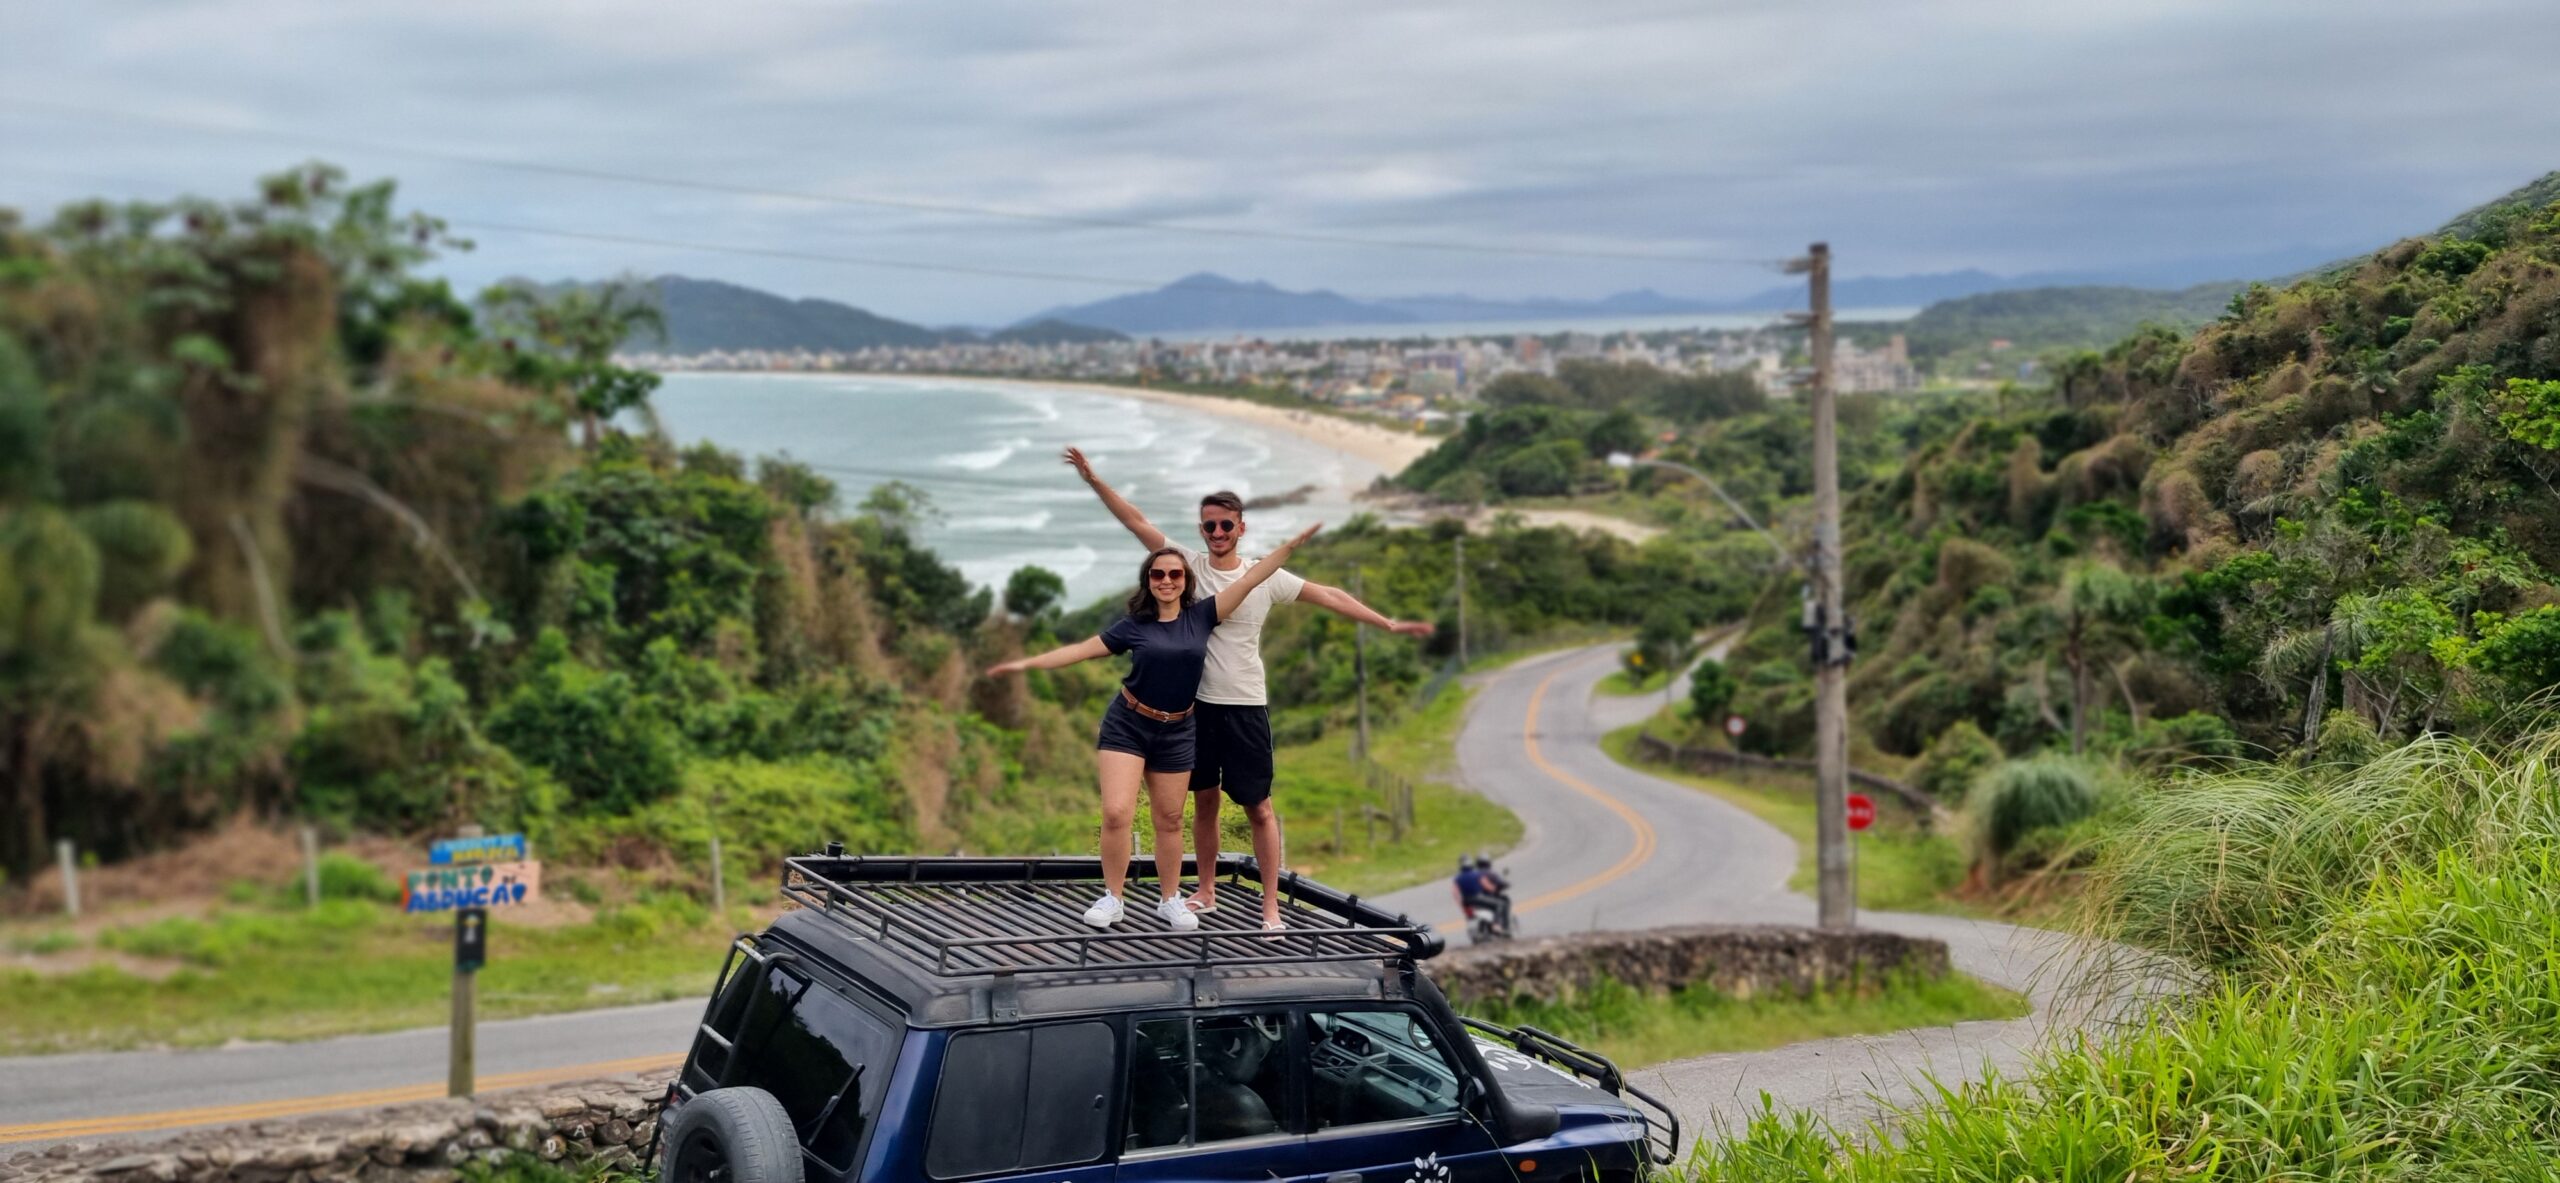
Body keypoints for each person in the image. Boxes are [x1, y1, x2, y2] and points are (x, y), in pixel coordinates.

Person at [1064, 446, 1434, 931]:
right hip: (1193, 710)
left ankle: (1271, 908)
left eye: (1225, 525)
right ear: (1202, 530)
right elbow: (1135, 521)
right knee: (1204, 804)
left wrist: (1386, 623)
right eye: (1209, 525)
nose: (1217, 533)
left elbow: (1329, 595)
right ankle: (1206, 891)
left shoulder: (1266, 577)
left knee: (1258, 806)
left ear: (1241, 528)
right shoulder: (1186, 568)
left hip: (1244, 706)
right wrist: (1093, 479)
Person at [985, 524, 1321, 931]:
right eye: (1158, 574)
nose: (1166, 580)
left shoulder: (1203, 616)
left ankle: (1169, 899)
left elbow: (1252, 578)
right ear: (1148, 581)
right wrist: (1023, 665)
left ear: (1185, 582)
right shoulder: (1133, 625)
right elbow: (1079, 652)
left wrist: (1292, 544)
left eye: (1175, 574)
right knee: (1116, 813)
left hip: (1178, 730)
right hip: (1128, 724)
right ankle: (1112, 898)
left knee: (1169, 819)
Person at [1456, 854, 1512, 934]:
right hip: (1481, 898)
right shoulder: (1482, 874)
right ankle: (1498, 925)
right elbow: (1488, 886)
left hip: (1468, 901)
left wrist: (1461, 903)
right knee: (1500, 904)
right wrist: (1496, 888)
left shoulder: (1461, 877)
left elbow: (1456, 893)